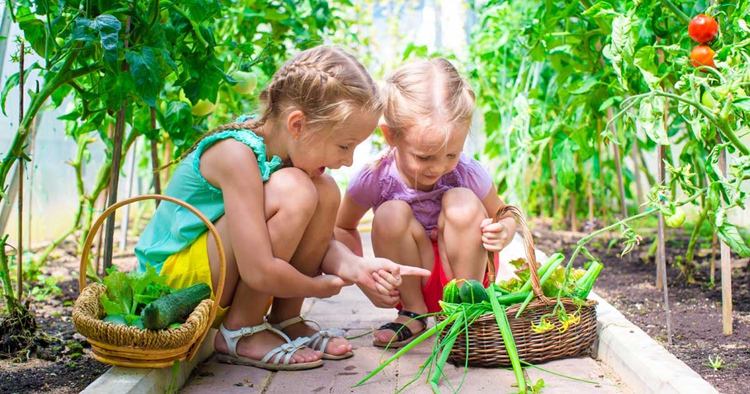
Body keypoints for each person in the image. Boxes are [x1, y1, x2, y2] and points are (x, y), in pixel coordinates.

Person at [134, 46, 430, 371]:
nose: (347, 162)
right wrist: (316, 287)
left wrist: (357, 267)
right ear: (298, 125)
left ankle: (286, 320)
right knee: (299, 189)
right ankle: (241, 330)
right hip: (174, 284)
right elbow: (258, 269)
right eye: (344, 146)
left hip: (213, 274)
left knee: (326, 191)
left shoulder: (281, 152)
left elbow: (318, 245)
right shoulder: (236, 155)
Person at [334, 58, 516, 348]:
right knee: (390, 213)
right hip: (412, 278)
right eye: (424, 156)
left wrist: (504, 231)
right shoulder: (375, 176)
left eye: (451, 154)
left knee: (462, 200)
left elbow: (505, 214)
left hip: (463, 272)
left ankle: (466, 312)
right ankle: (413, 313)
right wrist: (360, 274)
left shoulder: (467, 171)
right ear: (390, 136)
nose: (438, 168)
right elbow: (343, 227)